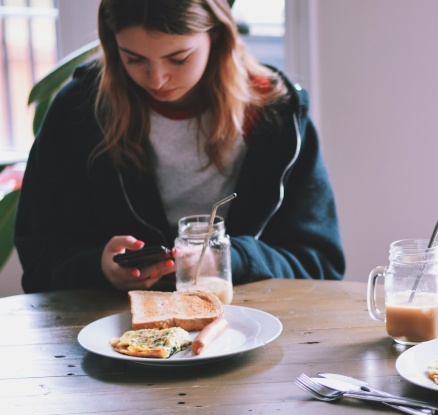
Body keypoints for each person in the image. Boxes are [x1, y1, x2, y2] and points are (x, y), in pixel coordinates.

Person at [15, 0, 345, 294]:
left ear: (216, 37)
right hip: (111, 335)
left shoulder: (275, 114)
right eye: (134, 59)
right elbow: (40, 256)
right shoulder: (79, 111)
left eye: (178, 58)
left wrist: (230, 259)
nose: (157, 79)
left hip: (255, 326)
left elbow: (321, 264)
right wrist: (98, 267)